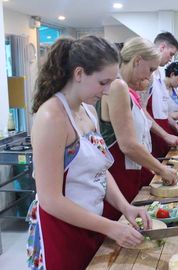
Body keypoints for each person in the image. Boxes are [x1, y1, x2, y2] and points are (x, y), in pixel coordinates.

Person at [27, 36, 151, 270]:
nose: (107, 91)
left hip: (92, 223)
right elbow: (50, 199)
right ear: (79, 73)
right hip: (62, 231)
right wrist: (110, 227)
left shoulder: (88, 111)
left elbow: (101, 170)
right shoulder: (51, 118)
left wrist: (125, 208)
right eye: (103, 82)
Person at [96, 37, 178, 221]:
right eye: (149, 69)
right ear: (137, 60)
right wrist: (160, 169)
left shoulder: (128, 89)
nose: (149, 77)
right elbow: (128, 145)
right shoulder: (117, 86)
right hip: (120, 175)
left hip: (132, 172)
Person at [144, 32, 178, 158]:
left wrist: (176, 127)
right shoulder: (147, 75)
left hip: (163, 132)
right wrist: (165, 135)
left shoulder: (158, 74)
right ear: (162, 47)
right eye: (171, 54)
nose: (171, 59)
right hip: (154, 134)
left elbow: (163, 113)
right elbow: (142, 110)